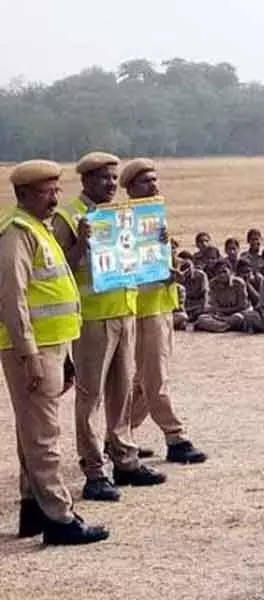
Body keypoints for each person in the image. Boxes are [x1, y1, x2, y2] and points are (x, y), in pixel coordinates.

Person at [0, 160, 109, 545]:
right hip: (31, 350)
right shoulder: (16, 234)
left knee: (32, 431)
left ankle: (33, 509)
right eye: (47, 192)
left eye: (56, 190)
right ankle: (59, 518)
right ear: (24, 194)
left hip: (51, 345)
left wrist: (60, 355)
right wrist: (30, 353)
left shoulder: (37, 229)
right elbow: (12, 299)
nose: (55, 198)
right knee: (44, 434)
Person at [52, 152, 166, 502]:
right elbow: (58, 271)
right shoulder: (69, 217)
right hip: (92, 318)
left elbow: (137, 258)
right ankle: (94, 469)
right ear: (85, 180)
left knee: (121, 393)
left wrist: (155, 243)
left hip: (124, 310)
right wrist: (80, 244)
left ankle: (126, 460)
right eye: (104, 178)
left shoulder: (123, 214)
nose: (111, 184)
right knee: (91, 396)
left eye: (115, 178)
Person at [119, 159, 207, 465]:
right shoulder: (126, 223)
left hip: (161, 303)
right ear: (130, 189)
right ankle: (175, 436)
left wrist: (175, 270)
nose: (154, 186)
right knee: (155, 377)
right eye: (146, 182)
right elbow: (127, 268)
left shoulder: (154, 218)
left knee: (144, 379)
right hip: (144, 308)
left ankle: (119, 435)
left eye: (155, 180)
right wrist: (164, 274)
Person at [194, 261, 255, 332]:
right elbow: (215, 305)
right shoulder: (213, 284)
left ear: (230, 271)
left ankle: (221, 326)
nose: (222, 275)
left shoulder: (239, 283)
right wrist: (220, 314)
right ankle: (226, 326)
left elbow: (242, 306)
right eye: (219, 273)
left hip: (240, 312)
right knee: (202, 318)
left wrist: (223, 315)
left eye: (224, 271)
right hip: (222, 314)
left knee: (238, 318)